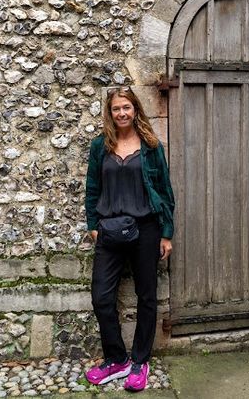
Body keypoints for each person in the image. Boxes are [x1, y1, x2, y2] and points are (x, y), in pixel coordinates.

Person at [84, 86, 174, 392]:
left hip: (146, 229)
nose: (121, 113)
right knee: (101, 297)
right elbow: (92, 188)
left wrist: (167, 232)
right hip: (109, 230)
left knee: (147, 296)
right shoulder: (100, 146)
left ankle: (139, 361)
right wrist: (93, 224)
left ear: (135, 109)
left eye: (126, 107)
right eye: (116, 109)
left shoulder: (150, 146)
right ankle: (117, 359)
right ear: (109, 113)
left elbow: (164, 191)